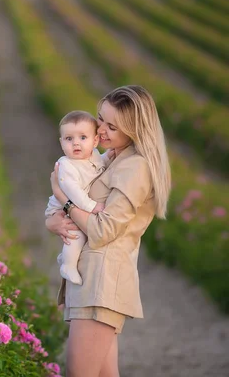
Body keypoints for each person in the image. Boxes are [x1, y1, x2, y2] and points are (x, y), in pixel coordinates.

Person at [45, 86, 171, 377]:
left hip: (102, 283)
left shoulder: (135, 167)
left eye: (112, 126)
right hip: (92, 279)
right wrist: (53, 220)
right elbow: (78, 215)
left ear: (134, 130)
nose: (100, 129)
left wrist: (63, 199)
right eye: (100, 119)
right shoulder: (111, 158)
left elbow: (103, 230)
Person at [44, 110, 113, 285]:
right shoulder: (66, 165)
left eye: (83, 138)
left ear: (95, 141)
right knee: (76, 234)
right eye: (69, 139)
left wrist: (107, 156)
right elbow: (73, 192)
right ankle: (68, 265)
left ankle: (64, 257)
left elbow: (99, 164)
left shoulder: (94, 155)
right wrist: (92, 207)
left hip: (75, 203)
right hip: (61, 207)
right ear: (61, 143)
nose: (76, 143)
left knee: (78, 231)